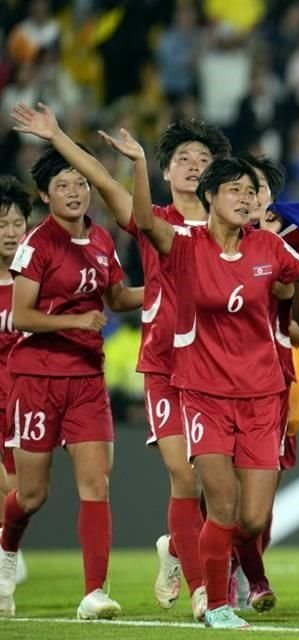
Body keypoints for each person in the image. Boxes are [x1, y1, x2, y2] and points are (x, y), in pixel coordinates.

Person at [120, 144, 299, 629]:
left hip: (264, 396)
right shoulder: (184, 244)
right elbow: (142, 219)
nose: (244, 199)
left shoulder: (271, 248)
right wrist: (138, 164)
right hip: (204, 395)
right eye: (234, 190)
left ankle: (184, 548)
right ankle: (215, 603)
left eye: (251, 191)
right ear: (211, 195)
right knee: (219, 503)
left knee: (254, 519)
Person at [10, 102, 232, 619]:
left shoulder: (233, 225)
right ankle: (203, 593)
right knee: (185, 477)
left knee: (235, 500)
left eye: (204, 157)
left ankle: (176, 548)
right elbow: (97, 180)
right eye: (182, 157)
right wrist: (59, 135)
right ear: (166, 169)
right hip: (166, 366)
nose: (193, 164)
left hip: (223, 366)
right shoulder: (152, 220)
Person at [0, 144, 144, 619]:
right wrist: (74, 324)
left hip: (86, 379)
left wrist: (168, 289)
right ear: (45, 194)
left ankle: (94, 592)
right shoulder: (36, 245)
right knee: (32, 495)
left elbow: (119, 297)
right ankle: (6, 553)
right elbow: (21, 315)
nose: (75, 191)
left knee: (95, 484)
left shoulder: (102, 239)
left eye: (80, 183)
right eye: (62, 185)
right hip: (37, 377)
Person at [230, 152, 299, 612]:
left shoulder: (290, 248)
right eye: (243, 188)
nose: (252, 197)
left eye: (259, 189)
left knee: (258, 502)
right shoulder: (209, 245)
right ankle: (239, 578)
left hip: (274, 383)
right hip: (216, 379)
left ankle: (245, 571)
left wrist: (294, 273)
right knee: (218, 489)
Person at [0, 176, 32, 615]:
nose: (9, 231)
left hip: (25, 398)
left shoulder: (37, 277)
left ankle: (8, 551)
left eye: (16, 222)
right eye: (1, 223)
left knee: (22, 492)